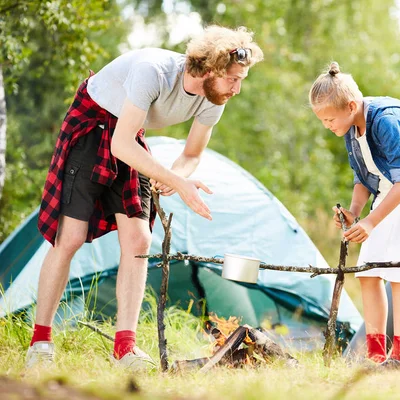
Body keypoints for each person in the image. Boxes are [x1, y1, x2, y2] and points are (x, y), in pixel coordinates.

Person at [27, 25, 264, 370]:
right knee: (70, 238)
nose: (238, 89)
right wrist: (175, 181)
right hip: (93, 126)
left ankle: (125, 348)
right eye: (233, 79)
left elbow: (192, 153)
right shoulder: (153, 72)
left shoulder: (215, 99)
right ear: (210, 69)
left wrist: (177, 176)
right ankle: (40, 342)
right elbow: (119, 145)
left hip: (127, 133)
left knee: (139, 238)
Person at [309, 62, 400, 367]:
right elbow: (364, 177)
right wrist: (355, 213)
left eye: (330, 119)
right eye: (322, 120)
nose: (327, 125)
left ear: (351, 106)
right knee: (368, 272)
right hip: (390, 193)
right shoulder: (351, 127)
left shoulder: (385, 121)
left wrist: (372, 222)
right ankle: (377, 357)